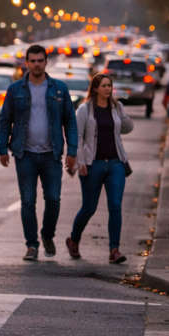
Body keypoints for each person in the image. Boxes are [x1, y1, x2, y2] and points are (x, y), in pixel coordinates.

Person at [0, 44, 79, 261]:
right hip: (25, 154)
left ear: (46, 62)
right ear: (26, 63)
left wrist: (72, 151)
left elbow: (70, 121)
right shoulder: (16, 90)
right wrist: (3, 148)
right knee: (27, 200)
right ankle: (31, 245)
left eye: (40, 60)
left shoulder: (59, 89)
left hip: (51, 154)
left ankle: (47, 234)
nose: (36, 64)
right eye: (32, 60)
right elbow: (6, 119)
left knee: (53, 199)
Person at [66, 73, 134, 264]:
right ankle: (74, 239)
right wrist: (80, 162)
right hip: (92, 164)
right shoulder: (84, 110)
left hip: (115, 163)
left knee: (115, 205)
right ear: (95, 88)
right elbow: (77, 137)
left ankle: (114, 250)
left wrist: (122, 111)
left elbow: (128, 128)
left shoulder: (116, 107)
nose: (107, 89)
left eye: (109, 86)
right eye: (104, 86)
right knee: (89, 207)